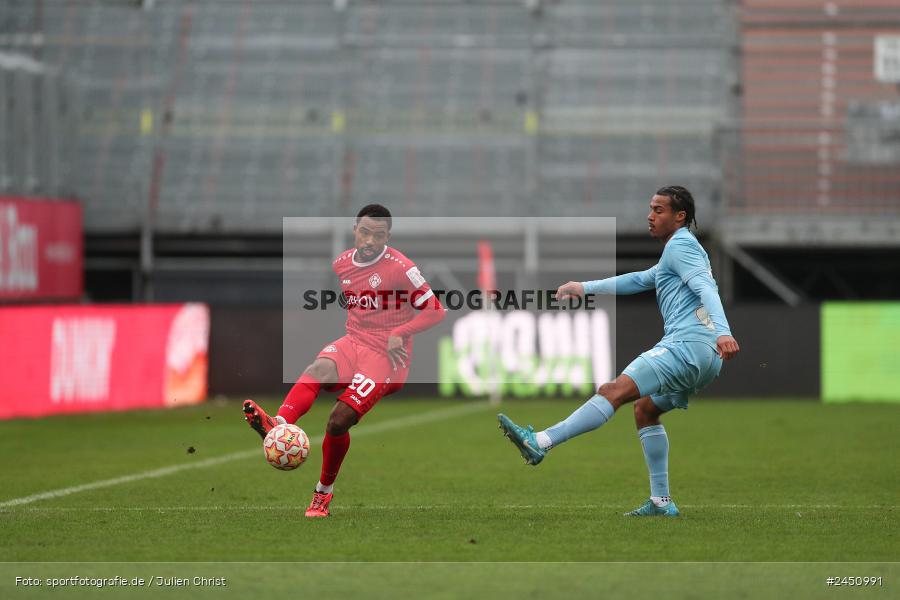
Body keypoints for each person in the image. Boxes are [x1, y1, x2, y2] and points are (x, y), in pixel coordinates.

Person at [498, 186, 740, 517]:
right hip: (706, 357)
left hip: (689, 344)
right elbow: (642, 280)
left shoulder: (682, 246)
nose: (650, 216)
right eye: (650, 209)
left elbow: (706, 288)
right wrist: (585, 288)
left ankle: (540, 442)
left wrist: (725, 332)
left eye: (659, 210)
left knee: (613, 391)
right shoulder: (678, 251)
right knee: (645, 410)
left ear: (679, 216)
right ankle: (661, 502)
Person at [244, 204, 445, 517]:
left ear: (387, 237)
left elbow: (435, 310)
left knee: (337, 422)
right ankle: (279, 424)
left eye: (378, 235)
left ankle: (322, 494)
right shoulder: (341, 265)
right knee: (318, 369)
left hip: (386, 359)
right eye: (364, 232)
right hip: (353, 342)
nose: (369, 240)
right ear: (355, 229)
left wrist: (400, 332)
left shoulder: (401, 268)